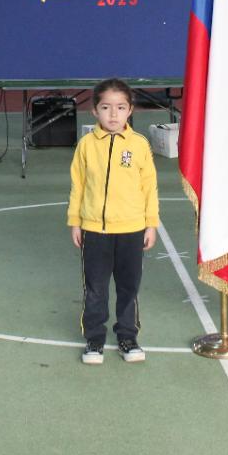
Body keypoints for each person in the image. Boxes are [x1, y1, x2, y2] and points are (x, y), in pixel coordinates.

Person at [67, 78, 159, 365]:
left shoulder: (139, 145)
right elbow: (78, 186)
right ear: (95, 111)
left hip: (132, 229)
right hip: (95, 230)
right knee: (95, 287)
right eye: (106, 107)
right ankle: (94, 339)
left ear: (130, 110)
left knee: (128, 287)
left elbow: (149, 187)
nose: (113, 114)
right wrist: (75, 221)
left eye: (120, 107)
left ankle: (128, 337)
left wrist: (151, 223)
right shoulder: (86, 145)